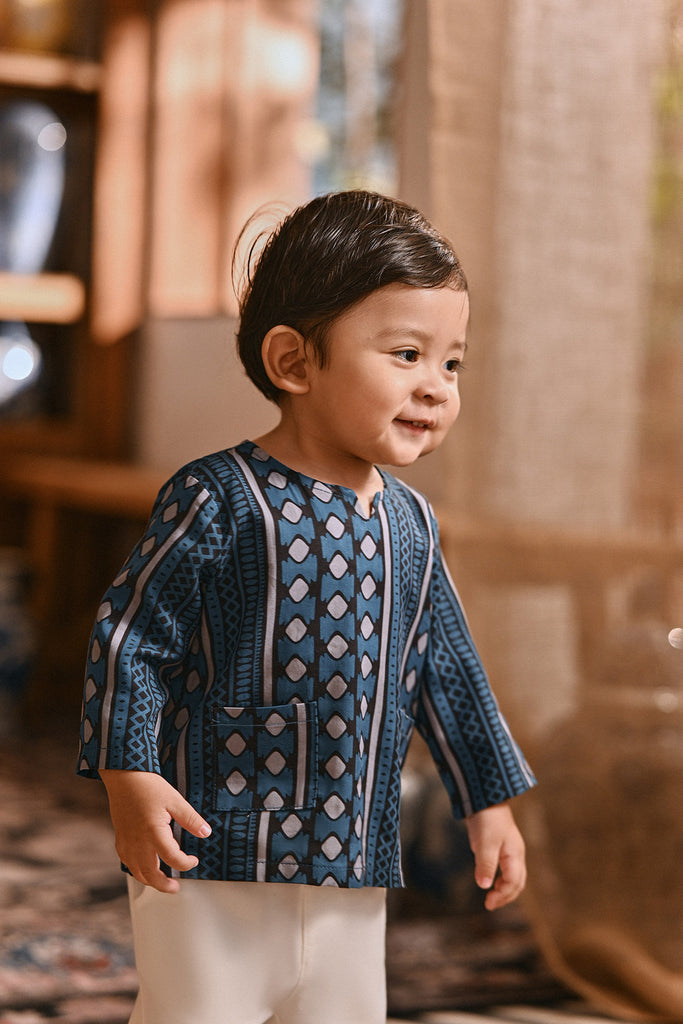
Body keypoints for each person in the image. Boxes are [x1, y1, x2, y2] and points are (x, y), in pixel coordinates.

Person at [78, 190, 536, 1024]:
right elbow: (132, 640)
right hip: (214, 845)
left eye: (451, 364)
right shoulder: (220, 498)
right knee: (196, 1012)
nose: (434, 387)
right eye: (406, 354)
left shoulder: (410, 523)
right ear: (294, 362)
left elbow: (446, 669)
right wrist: (128, 771)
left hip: (351, 859)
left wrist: (487, 800)